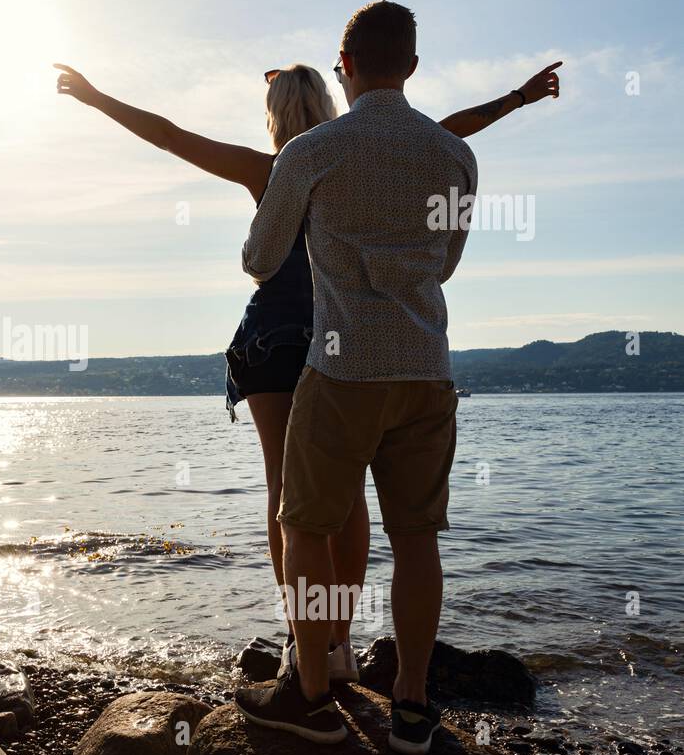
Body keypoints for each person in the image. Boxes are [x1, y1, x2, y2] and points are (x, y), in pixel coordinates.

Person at [54, 50, 560, 688]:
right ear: (331, 100)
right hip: (342, 337)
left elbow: (170, 136)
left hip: (273, 339)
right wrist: (517, 98)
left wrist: (98, 98)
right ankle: (340, 642)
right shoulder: (364, 153)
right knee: (347, 501)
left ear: (274, 114)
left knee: (287, 499)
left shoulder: (270, 168)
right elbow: (453, 127)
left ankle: (305, 647)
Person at [234, 0, 559, 755]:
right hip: (426, 366)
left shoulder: (311, 153)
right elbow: (443, 263)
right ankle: (412, 705)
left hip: (342, 368)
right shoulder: (453, 156)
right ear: (412, 65)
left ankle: (310, 689)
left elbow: (258, 259)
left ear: (344, 67)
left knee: (302, 523)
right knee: (417, 539)